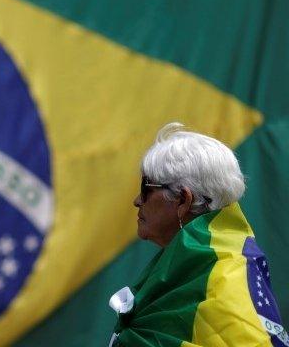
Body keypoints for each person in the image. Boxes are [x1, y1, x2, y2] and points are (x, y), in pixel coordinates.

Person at [108, 123, 286, 346]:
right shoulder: (196, 266)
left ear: (183, 200)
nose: (137, 201)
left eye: (146, 188)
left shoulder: (222, 277)